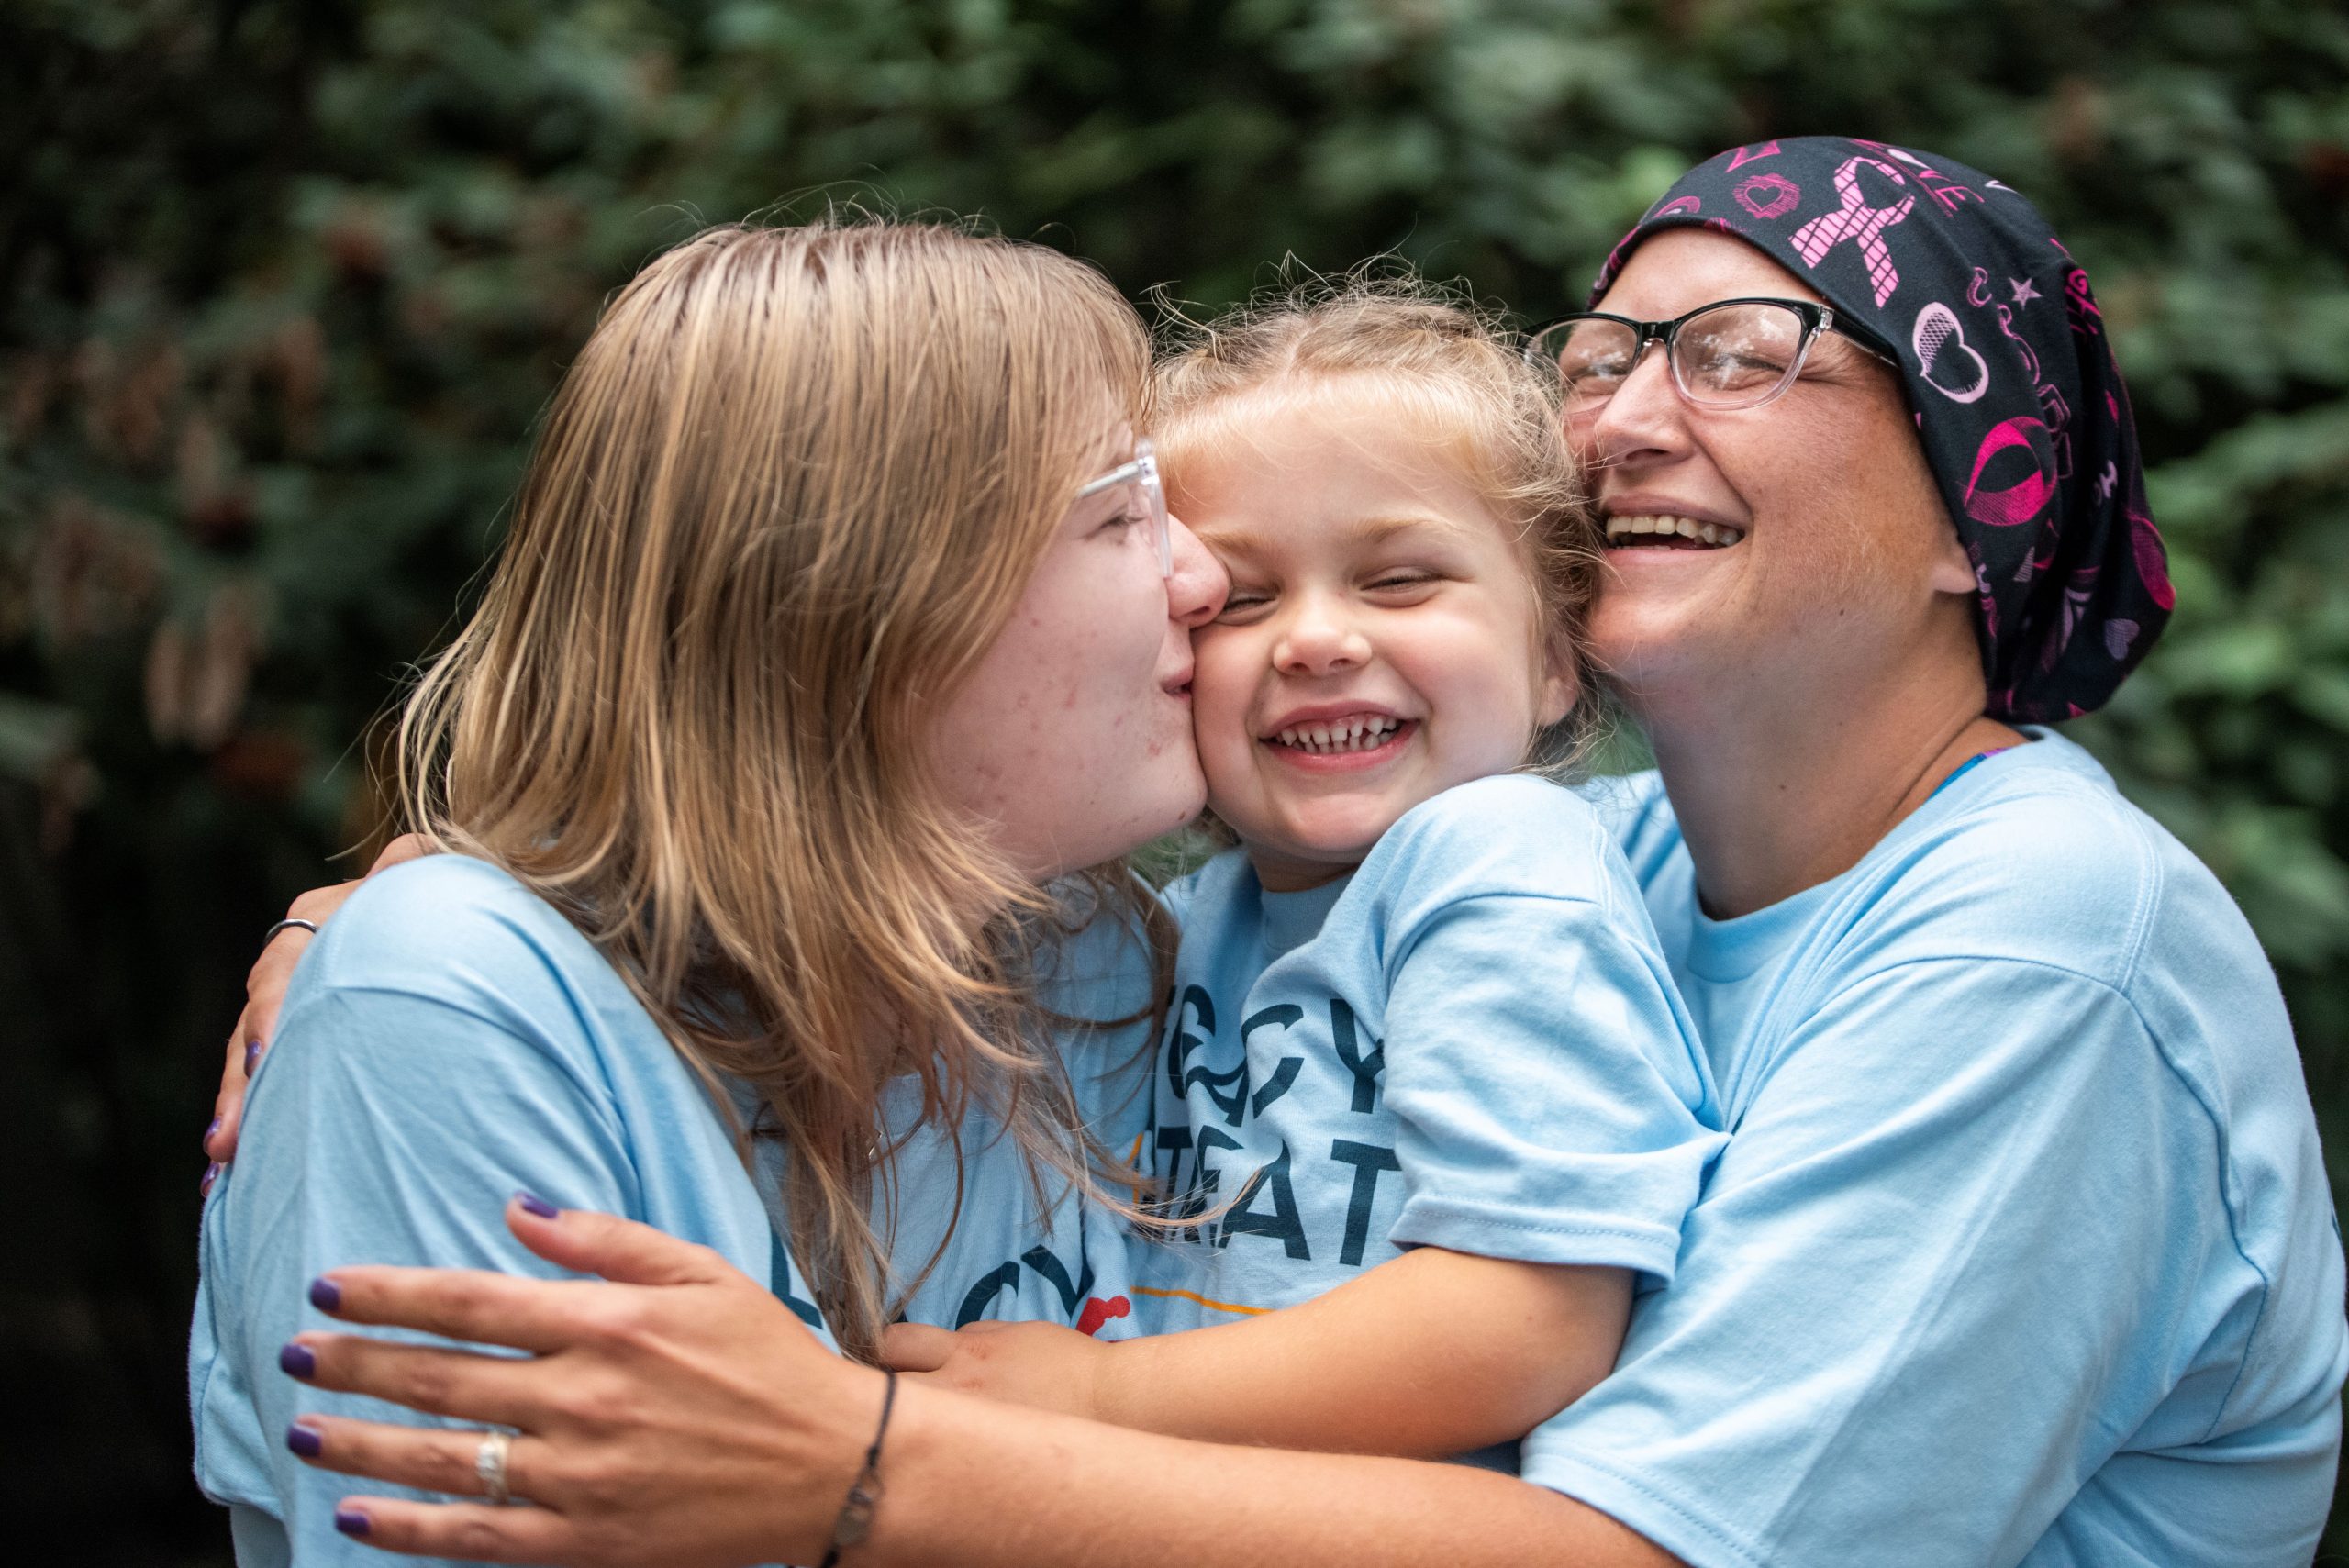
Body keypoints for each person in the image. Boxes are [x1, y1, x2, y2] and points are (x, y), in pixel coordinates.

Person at [226, 139, 2345, 1567]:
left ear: (1983, 499)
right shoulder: (1572, 870)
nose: (1616, 416)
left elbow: (1639, 1544)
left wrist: (872, 1466)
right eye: (1599, 357)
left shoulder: (2028, 940)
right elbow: (770, 826)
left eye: (1736, 351)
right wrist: (436, 917)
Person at [190, 218, 1231, 1563]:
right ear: (861, 598)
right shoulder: (460, 1009)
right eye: (1125, 513)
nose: (1205, 577)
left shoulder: (1086, 957)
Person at [887, 286, 1725, 1461]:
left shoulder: (1495, 859)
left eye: (1399, 579)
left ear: (1551, 656)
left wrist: (1097, 1398)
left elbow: (1530, 1320)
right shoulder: (1188, 923)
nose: (1317, 639)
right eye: (1241, 599)